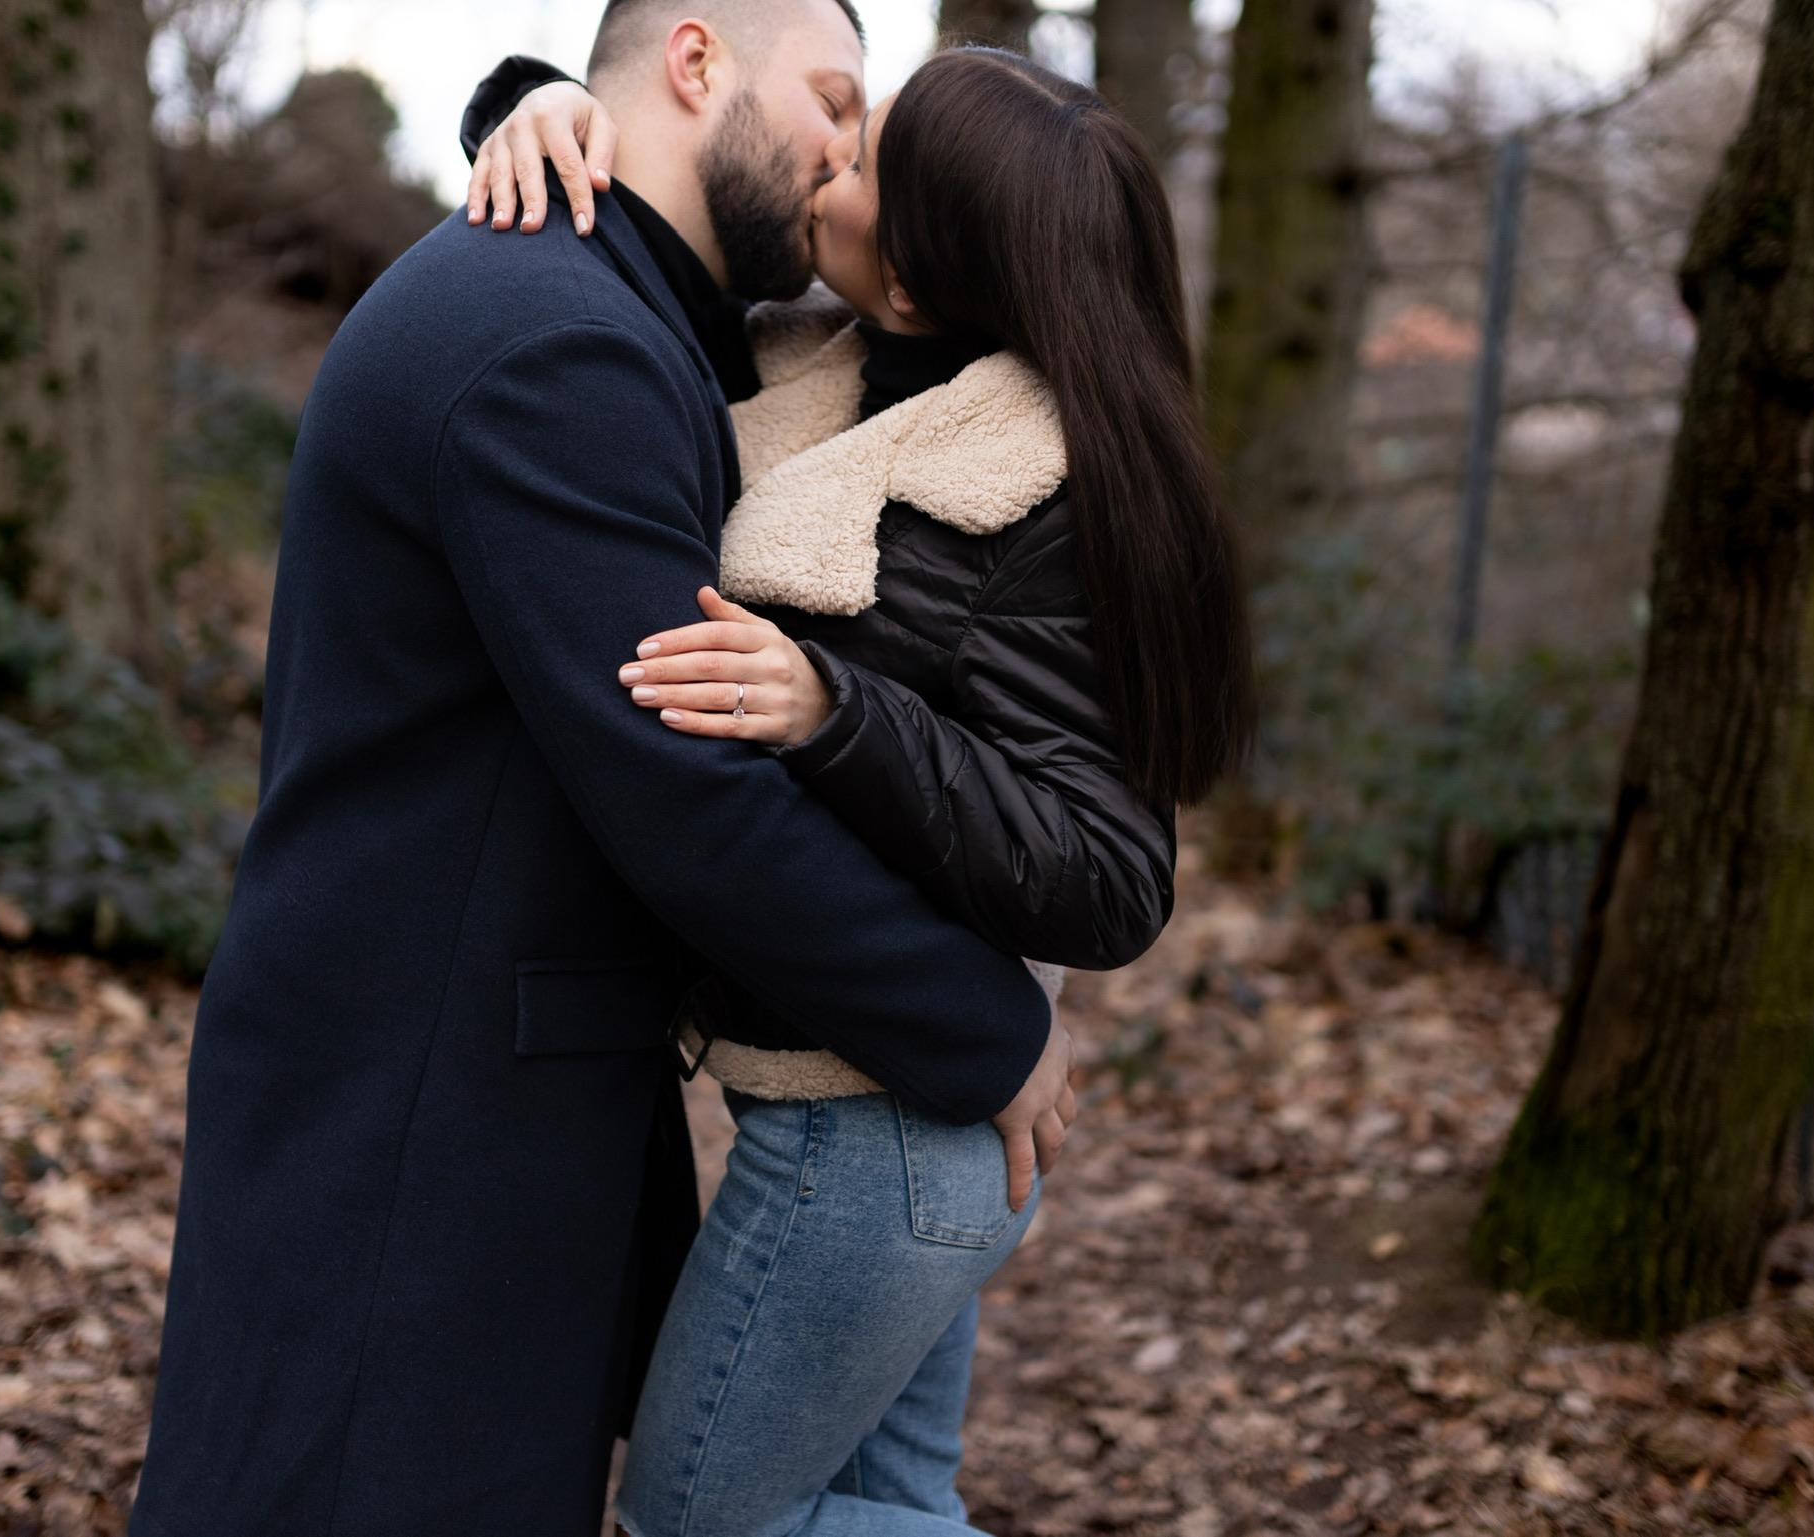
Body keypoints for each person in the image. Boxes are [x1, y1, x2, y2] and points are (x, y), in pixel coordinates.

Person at [122, 3, 1087, 1533]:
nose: (849, 160)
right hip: (412, 1120)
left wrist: (529, 99)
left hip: (450, 1089)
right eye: (834, 103)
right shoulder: (556, 338)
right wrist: (988, 1027)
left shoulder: (603, 305)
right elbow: (686, 788)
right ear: (698, 65)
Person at [459, 42, 1256, 1537]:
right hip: (903, 1125)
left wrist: (839, 714)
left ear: (911, 279)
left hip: (884, 1145)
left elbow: (1109, 877)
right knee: (888, 1509)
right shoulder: (814, 361)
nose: (825, 159)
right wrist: (544, 109)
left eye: (861, 160)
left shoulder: (1036, 491)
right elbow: (643, 261)